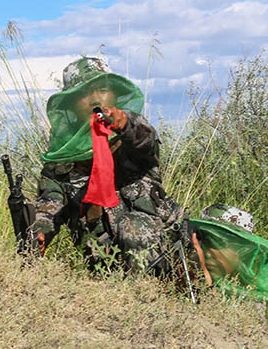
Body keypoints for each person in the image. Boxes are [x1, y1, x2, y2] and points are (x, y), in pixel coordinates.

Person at [29, 56, 185, 275]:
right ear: (71, 104)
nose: (95, 99)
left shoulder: (131, 139)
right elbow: (49, 206)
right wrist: (39, 231)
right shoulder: (61, 160)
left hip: (164, 256)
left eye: (102, 89)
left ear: (114, 95)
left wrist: (125, 123)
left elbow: (146, 140)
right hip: (105, 267)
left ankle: (147, 288)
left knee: (133, 225)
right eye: (83, 93)